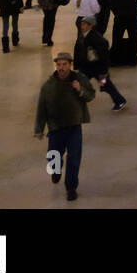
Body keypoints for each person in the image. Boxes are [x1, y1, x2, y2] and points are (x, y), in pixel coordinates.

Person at [34, 52, 95, 201]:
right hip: (56, 128)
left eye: (64, 64)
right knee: (53, 156)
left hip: (74, 127)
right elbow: (41, 109)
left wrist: (80, 90)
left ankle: (71, 188)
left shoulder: (79, 79)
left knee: (74, 158)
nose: (61, 67)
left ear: (70, 64)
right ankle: (55, 171)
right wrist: (39, 129)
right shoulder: (48, 86)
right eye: (59, 65)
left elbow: (91, 95)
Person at [74, 16, 127, 112]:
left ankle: (120, 101)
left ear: (91, 26)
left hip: (98, 69)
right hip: (87, 68)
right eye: (82, 24)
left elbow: (104, 55)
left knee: (106, 85)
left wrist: (104, 71)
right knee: (79, 82)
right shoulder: (83, 35)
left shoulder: (96, 38)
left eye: (85, 24)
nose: (82, 26)